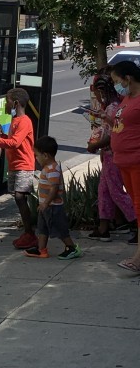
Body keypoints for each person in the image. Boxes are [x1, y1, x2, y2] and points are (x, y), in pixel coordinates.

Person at [0, 88, 37, 249]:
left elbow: (15, 143)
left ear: (15, 103)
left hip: (24, 165)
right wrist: (1, 136)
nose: (6, 105)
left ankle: (30, 233)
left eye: (7, 102)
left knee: (20, 197)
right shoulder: (15, 120)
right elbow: (12, 140)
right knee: (17, 197)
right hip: (15, 164)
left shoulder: (24, 121)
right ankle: (28, 232)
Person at [86, 73, 135, 241]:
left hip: (112, 155)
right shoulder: (110, 107)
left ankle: (136, 222)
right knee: (104, 191)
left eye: (96, 92)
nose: (96, 96)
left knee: (116, 192)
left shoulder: (113, 107)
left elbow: (114, 134)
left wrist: (95, 145)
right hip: (108, 155)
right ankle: (104, 227)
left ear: (102, 91)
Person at [24, 136, 82, 259]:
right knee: (42, 228)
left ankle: (71, 248)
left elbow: (54, 188)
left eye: (37, 155)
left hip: (52, 207)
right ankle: (41, 250)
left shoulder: (53, 169)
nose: (36, 158)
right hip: (45, 206)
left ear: (45, 156)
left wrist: (46, 203)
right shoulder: (48, 168)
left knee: (59, 229)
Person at [109, 61, 140, 272]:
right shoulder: (128, 98)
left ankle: (138, 259)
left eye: (117, 81)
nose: (116, 86)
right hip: (124, 162)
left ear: (127, 78)